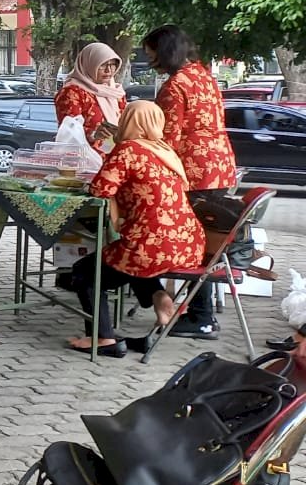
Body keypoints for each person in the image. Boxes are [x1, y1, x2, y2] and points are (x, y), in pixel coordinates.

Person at [70, 102, 204, 358]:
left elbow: (99, 189)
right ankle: (159, 296)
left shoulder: (129, 150)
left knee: (85, 272)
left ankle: (103, 338)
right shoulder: (165, 150)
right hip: (187, 245)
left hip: (151, 244)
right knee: (127, 258)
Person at [145, 24, 238, 340]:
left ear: (165, 51)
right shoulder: (204, 75)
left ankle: (201, 317)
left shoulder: (175, 87)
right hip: (220, 165)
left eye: (152, 53)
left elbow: (165, 136)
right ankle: (200, 313)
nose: (151, 60)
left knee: (195, 244)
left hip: (193, 169)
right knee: (208, 241)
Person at [55, 43, 127, 153]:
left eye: (112, 65)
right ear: (89, 64)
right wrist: (93, 134)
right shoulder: (73, 92)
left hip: (113, 156)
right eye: (102, 65)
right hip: (84, 160)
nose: (108, 70)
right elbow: (68, 131)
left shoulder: (115, 92)